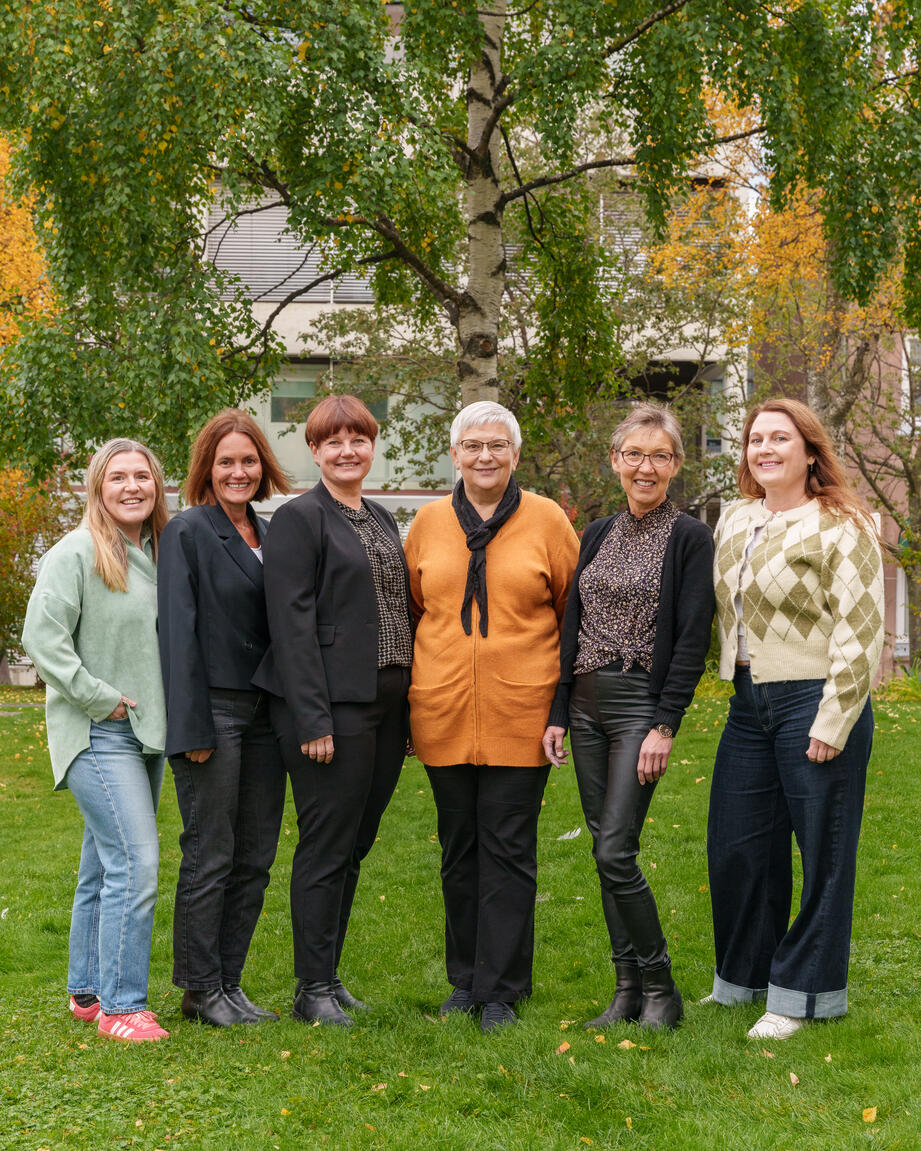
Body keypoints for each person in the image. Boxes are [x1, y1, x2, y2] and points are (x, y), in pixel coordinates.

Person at [707, 398, 884, 1041]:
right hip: (748, 701)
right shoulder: (735, 519)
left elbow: (861, 629)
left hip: (814, 695)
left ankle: (801, 994)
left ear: (810, 451)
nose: (765, 449)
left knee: (823, 852)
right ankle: (744, 980)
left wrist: (834, 719)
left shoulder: (843, 521)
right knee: (737, 848)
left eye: (780, 438)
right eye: (756, 439)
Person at [404, 400, 580, 1033]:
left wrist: (560, 707)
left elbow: (570, 615)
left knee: (507, 851)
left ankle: (502, 988)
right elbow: (417, 605)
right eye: (472, 446)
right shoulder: (427, 523)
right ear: (455, 455)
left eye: (496, 446)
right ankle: (464, 981)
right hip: (444, 709)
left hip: (521, 710)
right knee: (458, 851)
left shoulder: (547, 521)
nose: (484, 456)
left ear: (514, 453)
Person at [542, 403, 714, 1031]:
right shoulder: (594, 534)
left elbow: (693, 637)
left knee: (616, 849)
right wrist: (559, 711)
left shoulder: (690, 538)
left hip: (642, 704)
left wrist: (665, 725)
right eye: (634, 455)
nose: (646, 466)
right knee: (603, 847)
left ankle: (661, 988)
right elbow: (571, 626)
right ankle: (627, 990)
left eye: (659, 456)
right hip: (585, 705)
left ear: (676, 464)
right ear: (615, 461)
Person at [255, 394, 413, 1027]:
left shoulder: (379, 517)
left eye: (359, 439)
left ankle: (330, 975)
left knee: (356, 843)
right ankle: (310, 988)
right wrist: (313, 718)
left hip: (386, 705)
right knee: (325, 846)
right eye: (333, 441)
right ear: (314, 451)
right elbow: (290, 625)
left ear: (371, 446)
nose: (348, 450)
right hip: (329, 710)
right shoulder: (300, 519)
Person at [22, 439, 170, 1042]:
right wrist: (96, 695)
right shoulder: (76, 552)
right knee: (137, 864)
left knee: (101, 868)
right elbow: (41, 636)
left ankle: (87, 991)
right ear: (97, 488)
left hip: (149, 734)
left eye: (143, 476)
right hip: (98, 729)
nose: (132, 486)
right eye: (119, 478)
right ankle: (122, 1007)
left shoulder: (160, 552)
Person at [157, 409, 291, 1027]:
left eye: (248, 460)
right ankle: (198, 988)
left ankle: (229, 985)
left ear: (262, 465)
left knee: (257, 854)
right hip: (213, 710)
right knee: (211, 851)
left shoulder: (269, 534)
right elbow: (177, 636)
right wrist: (192, 731)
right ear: (206, 470)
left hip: (266, 713)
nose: (239, 472)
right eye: (226, 462)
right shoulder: (187, 531)